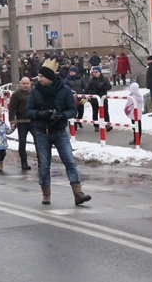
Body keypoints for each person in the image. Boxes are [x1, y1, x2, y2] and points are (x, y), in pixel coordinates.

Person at [26, 66, 91, 206]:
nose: (39, 79)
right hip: (42, 132)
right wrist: (40, 114)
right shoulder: (35, 91)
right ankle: (46, 194)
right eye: (38, 76)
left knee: (69, 161)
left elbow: (73, 110)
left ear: (49, 78)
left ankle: (78, 193)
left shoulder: (64, 90)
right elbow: (29, 111)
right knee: (44, 165)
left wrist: (62, 116)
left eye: (42, 76)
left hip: (60, 131)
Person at [8, 77, 36, 170]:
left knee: (39, 142)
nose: (26, 85)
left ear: (30, 83)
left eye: (27, 83)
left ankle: (41, 162)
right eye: (24, 83)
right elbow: (12, 108)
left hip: (33, 121)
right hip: (21, 122)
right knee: (22, 142)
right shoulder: (16, 95)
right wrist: (12, 121)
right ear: (21, 84)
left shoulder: (34, 93)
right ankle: (24, 163)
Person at [86, 66, 113, 132]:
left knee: (105, 112)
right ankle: (96, 126)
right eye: (94, 72)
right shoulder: (91, 80)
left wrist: (103, 87)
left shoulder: (104, 79)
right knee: (95, 112)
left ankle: (107, 125)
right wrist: (87, 96)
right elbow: (87, 89)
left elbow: (109, 87)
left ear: (100, 72)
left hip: (103, 98)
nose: (95, 73)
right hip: (94, 99)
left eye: (96, 72)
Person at [64, 66, 86, 130]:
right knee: (73, 112)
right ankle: (74, 126)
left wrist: (85, 95)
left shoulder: (81, 79)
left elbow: (85, 87)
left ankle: (79, 121)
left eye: (73, 72)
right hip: (71, 98)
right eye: (70, 72)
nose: (71, 73)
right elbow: (65, 88)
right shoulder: (67, 79)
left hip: (80, 97)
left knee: (81, 112)